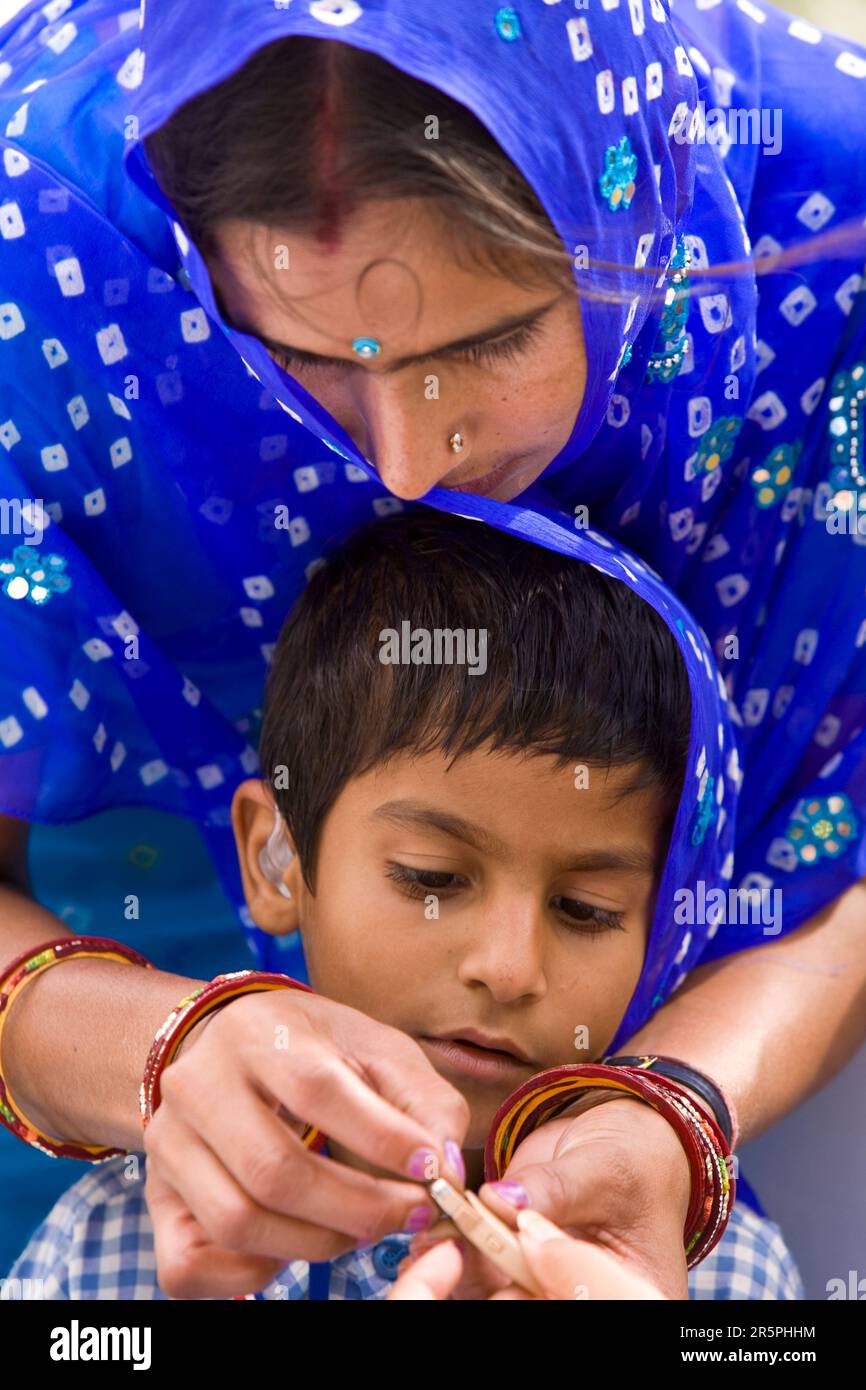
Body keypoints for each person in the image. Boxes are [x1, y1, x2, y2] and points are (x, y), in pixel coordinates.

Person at [1, 0, 866, 1294]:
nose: (400, 466)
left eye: (489, 340)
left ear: (639, 217)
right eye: (293, 357)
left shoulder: (826, 234)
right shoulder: (37, 263)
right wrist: (154, 1042)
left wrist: (668, 1113)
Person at [6, 510, 804, 1299]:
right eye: (432, 879)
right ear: (277, 857)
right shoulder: (121, 1243)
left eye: (585, 909)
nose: (509, 968)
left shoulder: (718, 1279)